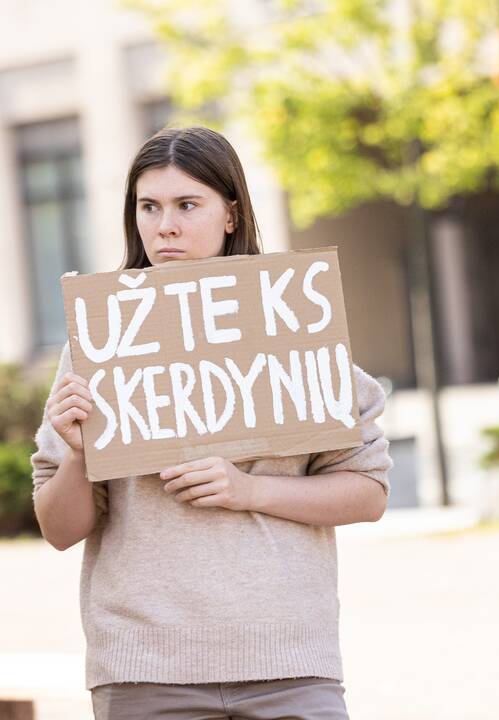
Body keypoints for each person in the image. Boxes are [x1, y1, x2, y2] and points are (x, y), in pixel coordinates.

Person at [31, 126, 392, 719]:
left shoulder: (292, 323)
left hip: (290, 664)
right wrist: (77, 455)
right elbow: (59, 528)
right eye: (149, 207)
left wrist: (248, 489)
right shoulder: (100, 342)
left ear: (231, 214)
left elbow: (369, 493)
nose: (164, 225)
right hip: (145, 669)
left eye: (187, 205)